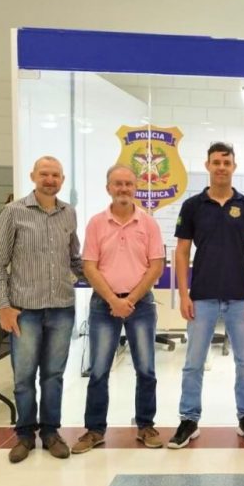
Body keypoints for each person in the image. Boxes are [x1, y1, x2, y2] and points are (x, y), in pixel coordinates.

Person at [168, 142, 244, 449]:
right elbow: (182, 253)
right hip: (202, 297)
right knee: (193, 362)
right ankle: (189, 420)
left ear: (234, 167)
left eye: (226, 162)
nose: (221, 167)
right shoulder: (193, 206)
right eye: (216, 162)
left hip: (240, 297)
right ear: (207, 165)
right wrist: (183, 295)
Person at [0, 156, 82, 463]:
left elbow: (75, 260)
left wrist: (107, 282)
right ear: (33, 176)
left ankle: (51, 432)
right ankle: (25, 435)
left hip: (61, 310)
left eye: (55, 174)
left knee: (53, 375)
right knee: (24, 377)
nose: (50, 179)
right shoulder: (13, 212)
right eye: (44, 174)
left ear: (62, 180)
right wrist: (3, 307)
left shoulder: (69, 213)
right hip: (24, 311)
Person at [71, 164, 165, 454]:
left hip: (141, 304)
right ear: (108, 188)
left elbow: (156, 266)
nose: (123, 189)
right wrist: (114, 300)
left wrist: (130, 300)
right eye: (117, 184)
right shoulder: (97, 223)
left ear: (135, 188)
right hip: (104, 305)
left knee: (146, 369)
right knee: (99, 370)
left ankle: (146, 425)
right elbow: (89, 266)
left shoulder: (148, 224)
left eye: (128, 184)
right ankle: (95, 430)